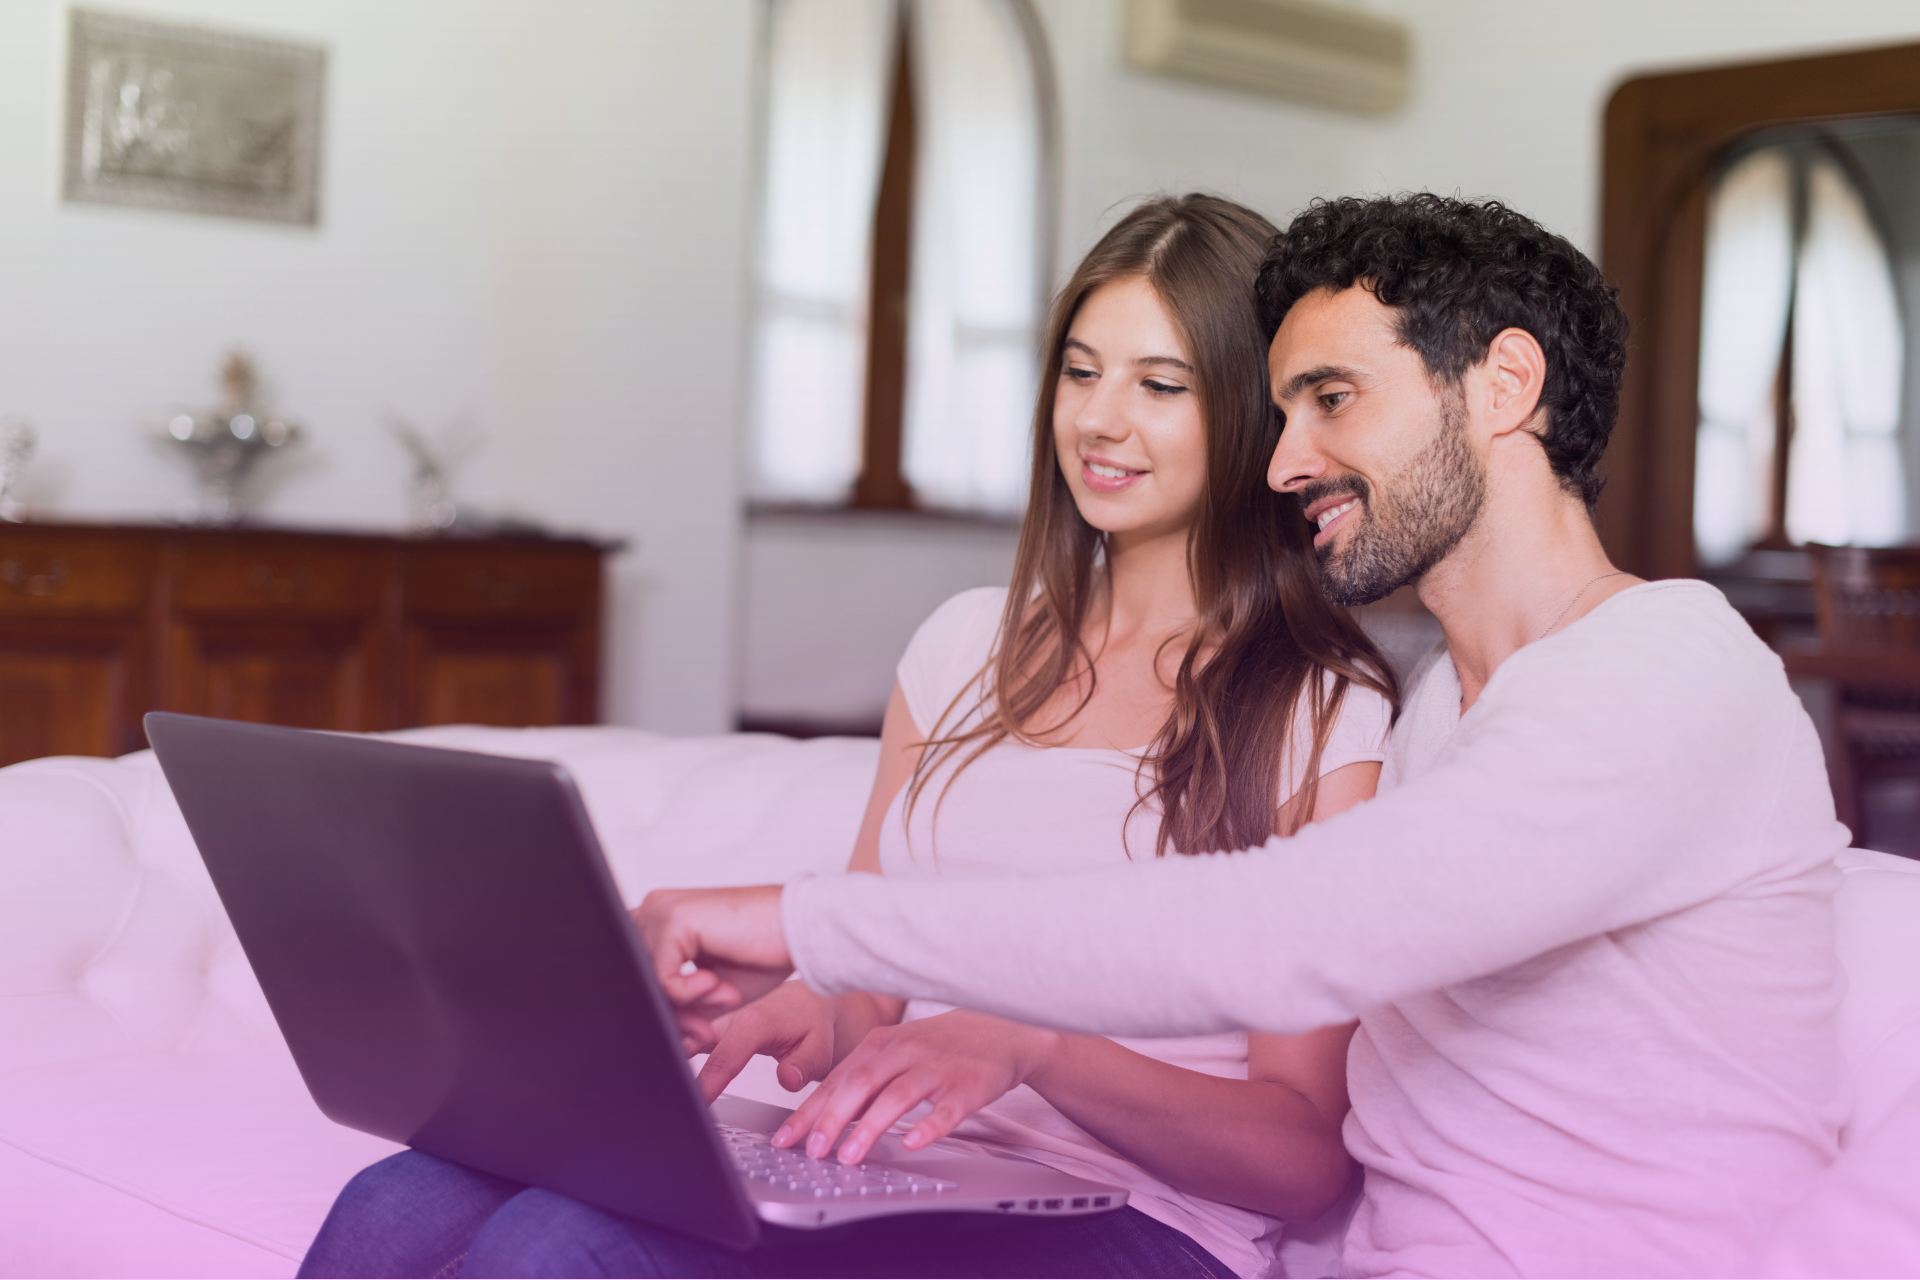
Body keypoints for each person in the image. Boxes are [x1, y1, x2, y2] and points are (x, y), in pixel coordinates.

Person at [643, 194, 1854, 1279]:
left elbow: (1291, 927)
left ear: (1505, 383)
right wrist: (837, 1003)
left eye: (1331, 399)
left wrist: (815, 924)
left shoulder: (1669, 670)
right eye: (1278, 413)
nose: (1280, 463)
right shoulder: (1442, 707)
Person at [298, 194, 1401, 1279]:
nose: (1099, 420)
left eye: (1159, 385)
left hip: (1141, 1223)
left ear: (1255, 413)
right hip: (910, 1163)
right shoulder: (963, 645)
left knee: (559, 1248)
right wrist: (792, 1011)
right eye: (1080, 371)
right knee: (394, 1201)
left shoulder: (1318, 707)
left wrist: (1036, 1045)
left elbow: (1302, 1154)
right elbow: (874, 980)